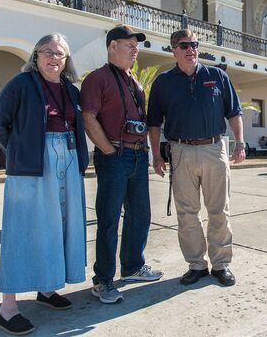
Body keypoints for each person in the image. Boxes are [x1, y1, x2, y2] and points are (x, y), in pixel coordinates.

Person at [0, 33, 89, 334]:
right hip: (32, 164)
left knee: (58, 225)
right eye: (47, 52)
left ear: (66, 59)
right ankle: (7, 309)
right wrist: (22, 153)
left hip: (68, 158)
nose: (53, 58)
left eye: (59, 53)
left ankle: (46, 289)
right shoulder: (21, 84)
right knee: (23, 229)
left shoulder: (72, 90)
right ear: (36, 56)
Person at [147, 29, 245, 287]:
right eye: (184, 45)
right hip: (180, 152)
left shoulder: (217, 76)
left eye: (194, 44)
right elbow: (154, 123)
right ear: (173, 50)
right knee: (187, 213)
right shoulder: (163, 82)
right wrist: (156, 155)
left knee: (219, 210)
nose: (191, 49)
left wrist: (239, 144)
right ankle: (197, 265)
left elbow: (234, 113)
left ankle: (221, 264)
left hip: (214, 149)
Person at [80, 25, 162, 304]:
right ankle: (103, 281)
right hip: (115, 155)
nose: (135, 50)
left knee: (140, 215)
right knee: (109, 219)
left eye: (136, 46)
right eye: (129, 45)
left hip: (138, 155)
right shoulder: (97, 78)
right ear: (112, 46)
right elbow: (88, 118)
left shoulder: (133, 81)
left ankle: (132, 267)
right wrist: (108, 151)